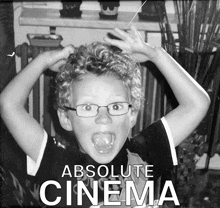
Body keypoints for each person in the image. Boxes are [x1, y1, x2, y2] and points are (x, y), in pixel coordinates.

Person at [0, 26, 210, 207]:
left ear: (132, 114)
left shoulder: (146, 153)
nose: (104, 118)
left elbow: (197, 103)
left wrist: (156, 55)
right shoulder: (56, 161)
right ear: (65, 117)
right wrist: (43, 60)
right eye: (88, 107)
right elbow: (8, 104)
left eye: (116, 106)